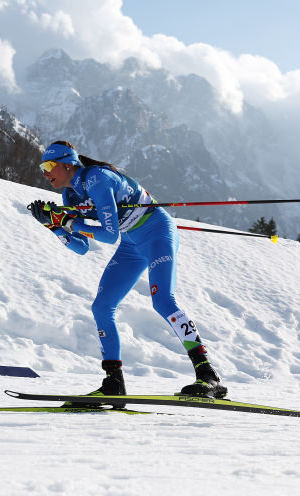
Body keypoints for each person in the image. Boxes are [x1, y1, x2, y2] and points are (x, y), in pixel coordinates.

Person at [27, 140, 227, 405]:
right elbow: (82, 248)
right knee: (101, 307)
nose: (45, 173)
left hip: (156, 231)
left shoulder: (97, 178)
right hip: (131, 242)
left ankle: (209, 375)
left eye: (49, 165)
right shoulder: (70, 195)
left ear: (68, 163)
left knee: (163, 301)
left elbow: (108, 236)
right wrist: (55, 228)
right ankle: (113, 383)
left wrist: (68, 222)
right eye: (42, 167)